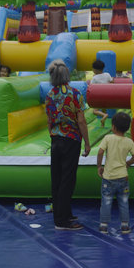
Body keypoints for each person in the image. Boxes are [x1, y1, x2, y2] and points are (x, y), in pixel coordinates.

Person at [44, 58, 91, 231]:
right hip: (71, 139)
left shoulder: (50, 95)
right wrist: (87, 142)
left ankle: (62, 213)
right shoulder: (75, 94)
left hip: (56, 139)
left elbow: (49, 120)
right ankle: (62, 221)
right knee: (67, 179)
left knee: (57, 178)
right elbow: (81, 121)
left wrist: (53, 134)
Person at [97, 112, 134, 234]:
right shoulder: (129, 141)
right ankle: (125, 226)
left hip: (108, 178)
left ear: (113, 126)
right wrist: (127, 164)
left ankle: (104, 226)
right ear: (127, 128)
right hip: (123, 178)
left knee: (106, 201)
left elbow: (100, 152)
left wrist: (99, 166)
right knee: (124, 201)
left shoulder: (108, 138)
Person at [87, 59, 111, 124]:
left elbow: (91, 87)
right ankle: (103, 123)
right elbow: (112, 81)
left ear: (95, 70)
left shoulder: (95, 78)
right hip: (107, 96)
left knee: (95, 111)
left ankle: (104, 115)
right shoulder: (107, 74)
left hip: (99, 97)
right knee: (104, 109)